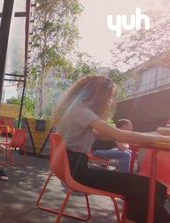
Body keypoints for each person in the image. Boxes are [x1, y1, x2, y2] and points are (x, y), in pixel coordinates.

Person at [52, 75, 170, 223]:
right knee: (150, 188)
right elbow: (120, 135)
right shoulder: (82, 111)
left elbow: (101, 135)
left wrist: (138, 135)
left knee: (151, 188)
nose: (108, 102)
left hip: (71, 166)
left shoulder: (73, 109)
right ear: (99, 96)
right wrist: (159, 137)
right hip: (77, 171)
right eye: (108, 98)